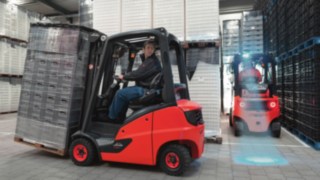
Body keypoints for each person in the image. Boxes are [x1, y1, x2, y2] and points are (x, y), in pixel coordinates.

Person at [108, 39, 162, 122]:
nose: (150, 50)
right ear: (143, 49)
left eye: (152, 48)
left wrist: (124, 76)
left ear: (154, 50)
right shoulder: (148, 61)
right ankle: (120, 117)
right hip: (146, 87)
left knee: (120, 93)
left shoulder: (151, 61)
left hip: (146, 90)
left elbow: (138, 74)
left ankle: (111, 118)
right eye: (148, 48)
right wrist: (126, 77)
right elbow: (138, 73)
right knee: (125, 94)